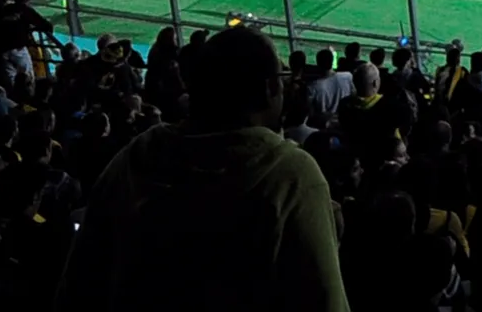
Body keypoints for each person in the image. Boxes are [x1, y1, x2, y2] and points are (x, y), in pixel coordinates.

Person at [55, 24, 347, 312]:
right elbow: (324, 299)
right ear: (270, 87)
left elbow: (79, 284)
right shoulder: (291, 175)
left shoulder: (137, 157)